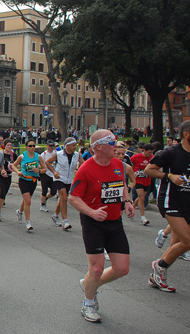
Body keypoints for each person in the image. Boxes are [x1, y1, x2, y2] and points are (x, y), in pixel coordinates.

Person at [69, 130, 135, 323]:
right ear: (98, 147)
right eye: (111, 142)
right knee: (97, 269)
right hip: (93, 222)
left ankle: (89, 283)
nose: (116, 145)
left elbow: (121, 183)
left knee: (122, 268)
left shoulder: (118, 164)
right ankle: (88, 302)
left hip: (115, 221)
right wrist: (92, 212)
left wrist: (128, 201)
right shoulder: (86, 169)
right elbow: (73, 198)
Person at [144, 119, 190, 292]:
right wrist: (169, 177)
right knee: (188, 241)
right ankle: (159, 266)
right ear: (186, 134)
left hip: (187, 201)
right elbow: (149, 170)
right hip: (170, 200)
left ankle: (157, 274)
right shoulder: (171, 152)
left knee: (177, 242)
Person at [44, 137, 85, 231]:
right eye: (73, 145)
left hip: (68, 180)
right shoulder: (58, 154)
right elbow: (47, 162)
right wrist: (54, 172)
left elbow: (84, 164)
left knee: (63, 198)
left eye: (75, 145)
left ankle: (55, 215)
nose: (75, 147)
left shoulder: (76, 155)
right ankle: (65, 221)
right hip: (59, 178)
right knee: (64, 197)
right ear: (67, 146)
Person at [12, 139, 47, 231]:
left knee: (26, 200)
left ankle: (19, 211)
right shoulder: (22, 156)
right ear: (26, 147)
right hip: (24, 180)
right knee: (28, 201)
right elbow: (13, 165)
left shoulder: (38, 157)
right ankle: (28, 222)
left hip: (33, 181)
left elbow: (44, 169)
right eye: (30, 146)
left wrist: (38, 171)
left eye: (33, 146)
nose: (32, 148)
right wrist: (17, 172)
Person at [130, 143, 154, 226]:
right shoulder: (136, 157)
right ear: (144, 150)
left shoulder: (152, 158)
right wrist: (133, 173)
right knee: (142, 197)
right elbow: (129, 165)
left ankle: (132, 208)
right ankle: (143, 218)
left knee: (141, 197)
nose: (150, 154)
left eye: (152, 152)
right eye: (149, 152)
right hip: (138, 180)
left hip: (147, 180)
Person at [0, 139, 15, 222]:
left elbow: (17, 164)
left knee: (4, 194)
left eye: (10, 145)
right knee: (2, 193)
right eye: (8, 145)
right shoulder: (1, 154)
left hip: (9, 176)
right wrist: (2, 170)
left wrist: (14, 167)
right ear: (4, 146)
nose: (9, 147)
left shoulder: (13, 155)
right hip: (0, 176)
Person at [39, 139, 58, 212]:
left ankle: (46, 198)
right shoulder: (43, 154)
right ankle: (43, 205)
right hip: (45, 174)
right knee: (44, 190)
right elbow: (39, 165)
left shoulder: (56, 153)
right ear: (47, 146)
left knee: (53, 191)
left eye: (53, 146)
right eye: (50, 146)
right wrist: (44, 166)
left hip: (53, 174)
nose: (52, 147)